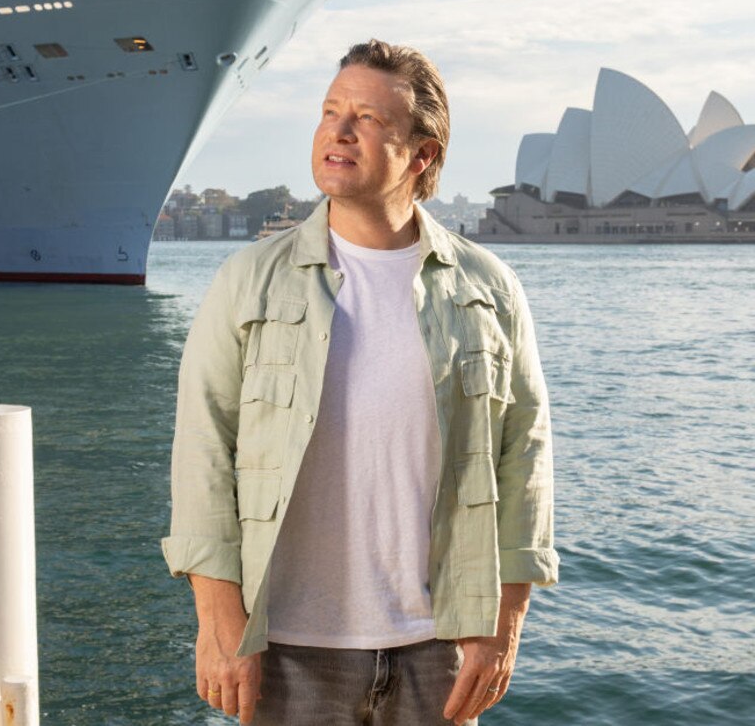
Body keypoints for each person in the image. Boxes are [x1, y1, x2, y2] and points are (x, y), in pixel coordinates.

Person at [162, 39, 558, 725]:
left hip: (436, 646)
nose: (337, 132)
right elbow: (202, 452)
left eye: (367, 120)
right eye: (329, 111)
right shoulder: (246, 279)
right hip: (285, 648)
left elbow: (523, 457)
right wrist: (219, 624)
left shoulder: (487, 287)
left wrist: (503, 624)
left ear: (422, 153)